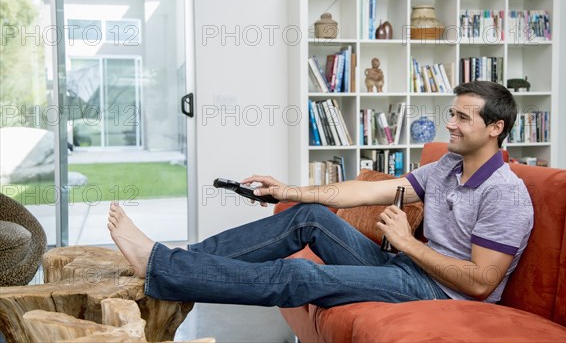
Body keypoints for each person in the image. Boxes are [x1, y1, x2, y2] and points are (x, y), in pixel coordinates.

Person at [108, 81, 533, 307]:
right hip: (410, 268)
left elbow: (480, 284)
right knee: (307, 217)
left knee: (299, 275)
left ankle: (162, 266)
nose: (451, 124)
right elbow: (365, 192)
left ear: (495, 128)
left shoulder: (505, 195)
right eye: (451, 114)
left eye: (462, 117)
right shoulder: (447, 167)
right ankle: (176, 261)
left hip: (441, 294)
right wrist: (289, 191)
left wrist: (406, 243)